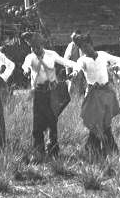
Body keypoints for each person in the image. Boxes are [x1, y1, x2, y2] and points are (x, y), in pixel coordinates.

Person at [21, 31, 78, 160]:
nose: (35, 50)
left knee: (52, 121)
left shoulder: (51, 55)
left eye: (37, 47)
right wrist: (26, 71)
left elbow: (68, 63)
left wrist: (75, 71)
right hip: (38, 93)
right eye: (32, 47)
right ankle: (38, 151)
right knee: (37, 123)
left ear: (42, 44)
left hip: (52, 93)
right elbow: (25, 67)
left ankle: (53, 150)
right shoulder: (30, 57)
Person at [72, 33, 120, 158]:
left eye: (86, 46)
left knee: (106, 123)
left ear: (91, 44)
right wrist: (75, 72)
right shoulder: (83, 60)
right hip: (93, 94)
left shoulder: (102, 55)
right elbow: (77, 67)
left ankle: (108, 150)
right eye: (81, 48)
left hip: (106, 92)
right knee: (95, 123)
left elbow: (118, 59)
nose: (84, 49)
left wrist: (119, 66)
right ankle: (93, 150)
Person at [64, 30, 85, 96]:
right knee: (71, 88)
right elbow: (66, 59)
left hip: (83, 70)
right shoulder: (71, 45)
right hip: (73, 70)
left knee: (83, 88)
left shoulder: (84, 45)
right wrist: (67, 72)